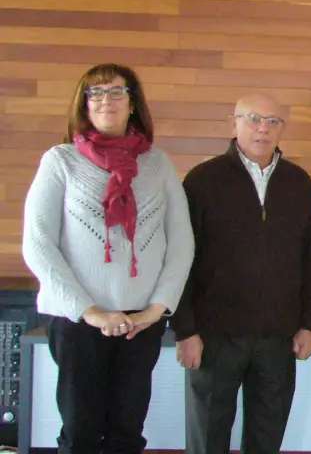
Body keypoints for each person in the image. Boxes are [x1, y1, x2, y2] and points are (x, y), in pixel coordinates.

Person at [22, 63, 195, 454]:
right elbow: (38, 244)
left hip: (141, 322)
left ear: (133, 104)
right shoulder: (60, 161)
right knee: (80, 432)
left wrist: (156, 309)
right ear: (84, 104)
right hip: (78, 322)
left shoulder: (158, 163)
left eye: (117, 91)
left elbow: (181, 242)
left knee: (127, 432)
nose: (106, 100)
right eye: (96, 93)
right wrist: (92, 313)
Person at [173, 93, 311, 454]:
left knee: (266, 438)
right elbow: (179, 260)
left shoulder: (298, 182)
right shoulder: (202, 180)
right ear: (234, 123)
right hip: (213, 337)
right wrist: (185, 330)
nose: (263, 128)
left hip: (278, 338)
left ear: (282, 129)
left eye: (273, 121)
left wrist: (310, 324)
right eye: (254, 118)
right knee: (208, 439)